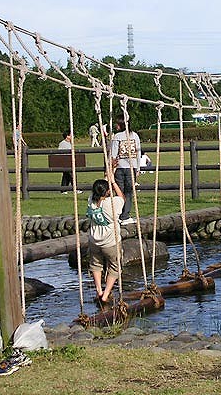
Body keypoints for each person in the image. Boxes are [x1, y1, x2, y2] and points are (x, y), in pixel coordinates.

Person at [86, 170, 124, 304]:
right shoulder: (112, 203)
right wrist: (113, 182)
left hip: (94, 240)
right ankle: (106, 294)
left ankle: (99, 290)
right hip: (110, 242)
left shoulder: (91, 201)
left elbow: (99, 189)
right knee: (115, 266)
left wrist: (108, 175)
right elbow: (122, 198)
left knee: (96, 265)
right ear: (107, 192)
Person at [110, 115, 141, 224]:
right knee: (128, 192)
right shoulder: (134, 136)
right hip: (130, 167)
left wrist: (111, 167)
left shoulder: (117, 137)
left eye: (117, 123)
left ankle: (119, 214)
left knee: (120, 192)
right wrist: (138, 168)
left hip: (119, 168)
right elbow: (138, 153)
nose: (115, 125)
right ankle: (125, 215)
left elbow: (113, 154)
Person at [58, 130, 78, 194]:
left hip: (69, 162)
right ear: (67, 136)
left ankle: (63, 189)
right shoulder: (63, 143)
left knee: (66, 176)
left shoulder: (70, 143)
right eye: (71, 135)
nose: (73, 136)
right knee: (71, 175)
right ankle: (75, 188)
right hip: (65, 162)